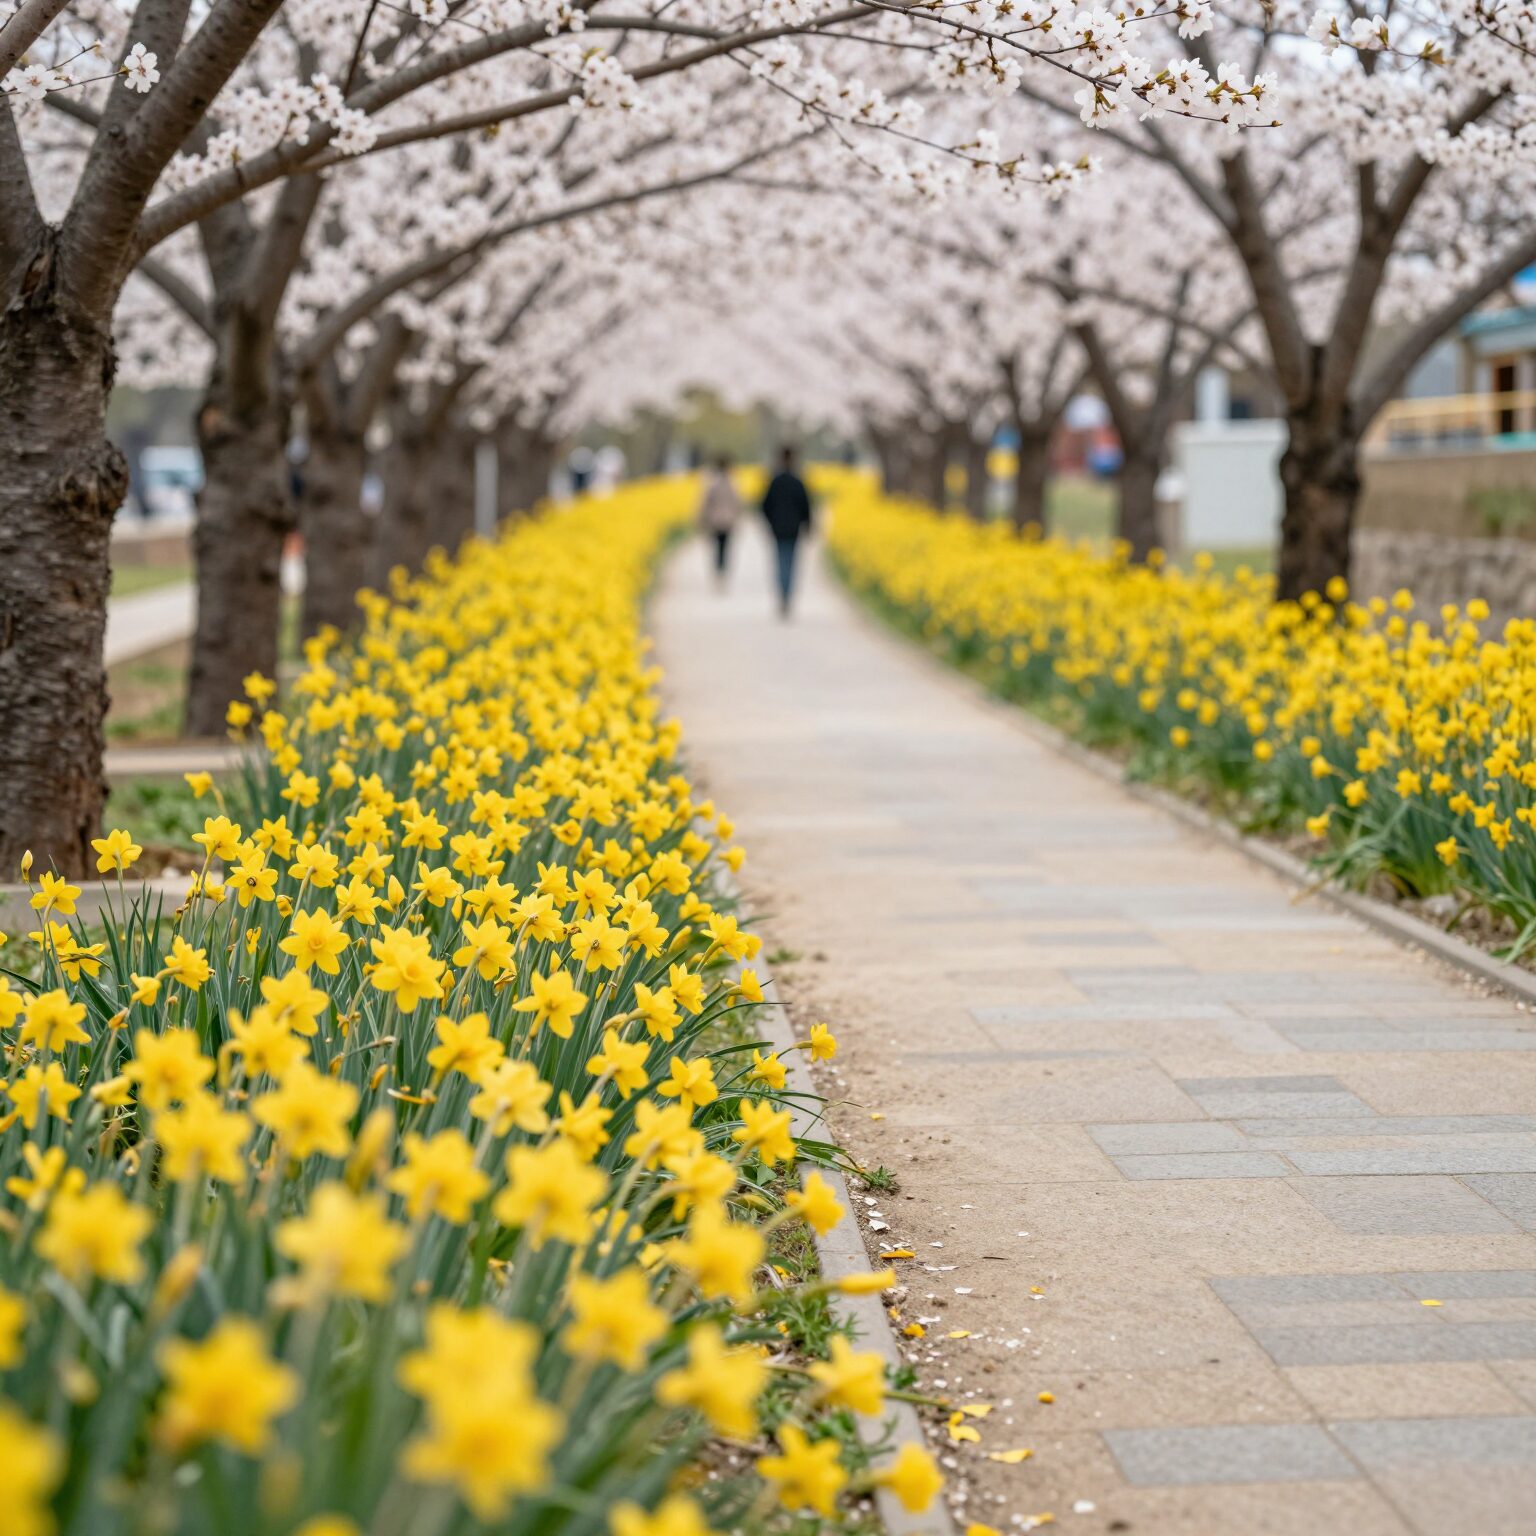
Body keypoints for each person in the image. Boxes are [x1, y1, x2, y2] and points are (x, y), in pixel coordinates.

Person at [760, 445, 812, 617]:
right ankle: (787, 596)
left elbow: (765, 505)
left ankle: (783, 596)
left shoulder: (774, 481)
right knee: (791, 562)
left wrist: (770, 522)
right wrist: (808, 525)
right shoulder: (798, 481)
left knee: (780, 562)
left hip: (778, 528)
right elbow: (806, 506)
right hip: (794, 528)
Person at [696, 456, 742, 588]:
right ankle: (722, 572)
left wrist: (702, 517)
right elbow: (737, 501)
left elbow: (705, 501)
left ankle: (718, 572)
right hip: (728, 520)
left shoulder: (712, 482)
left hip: (715, 520)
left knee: (717, 547)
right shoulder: (732, 482)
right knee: (725, 547)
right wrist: (737, 516)